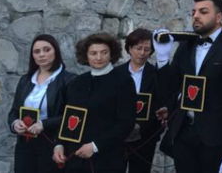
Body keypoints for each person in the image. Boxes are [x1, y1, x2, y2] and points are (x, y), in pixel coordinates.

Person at [154, 0, 222, 173]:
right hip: (184, 134)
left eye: (203, 12)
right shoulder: (185, 47)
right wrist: (162, 59)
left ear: (219, 17)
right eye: (194, 12)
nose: (196, 16)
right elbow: (169, 88)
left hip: (217, 138)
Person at [52, 33, 136, 173]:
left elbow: (126, 123)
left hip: (107, 159)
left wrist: (95, 146)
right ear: (86, 56)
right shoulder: (76, 83)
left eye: (104, 52)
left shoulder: (123, 82)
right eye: (93, 53)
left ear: (111, 54)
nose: (98, 57)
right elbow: (66, 118)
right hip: (74, 159)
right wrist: (59, 145)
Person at [9, 35, 75, 173]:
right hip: (25, 143)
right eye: (37, 51)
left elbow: (72, 116)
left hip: (52, 143)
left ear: (55, 51)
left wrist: (44, 124)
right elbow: (14, 111)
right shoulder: (25, 80)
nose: (42, 55)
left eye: (47, 50)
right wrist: (15, 123)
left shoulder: (69, 80)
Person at [114, 29, 165, 173]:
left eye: (147, 49)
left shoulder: (156, 75)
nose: (142, 53)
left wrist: (143, 128)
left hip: (145, 138)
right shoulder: (116, 73)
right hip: (118, 137)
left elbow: (159, 104)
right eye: (138, 48)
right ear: (129, 49)